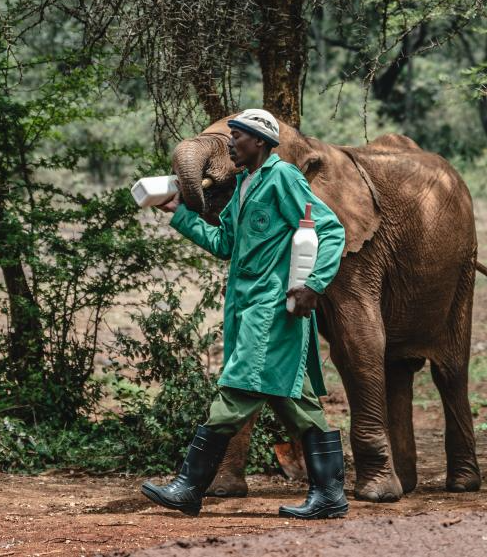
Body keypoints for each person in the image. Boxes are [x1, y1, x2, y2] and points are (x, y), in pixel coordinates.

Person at [141, 109, 349, 520]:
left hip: (270, 306)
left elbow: (330, 229)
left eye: (235, 136)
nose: (230, 144)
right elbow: (224, 244)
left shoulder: (283, 178)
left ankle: (188, 486)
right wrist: (180, 212)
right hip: (244, 307)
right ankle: (329, 495)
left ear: (259, 142)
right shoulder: (243, 187)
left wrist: (314, 285)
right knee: (297, 401)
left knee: (237, 389)